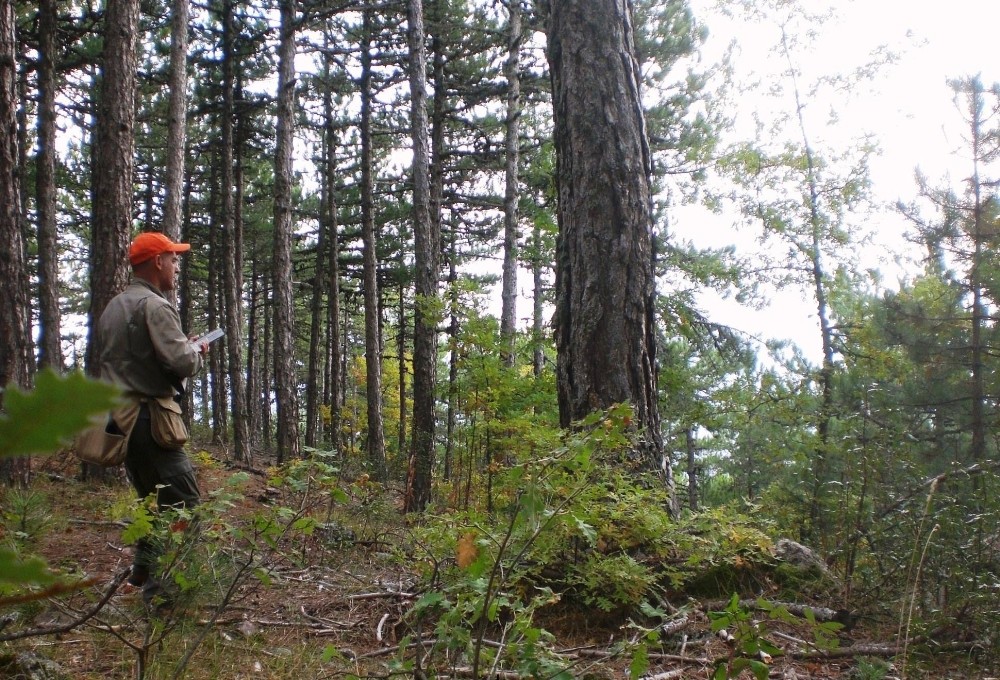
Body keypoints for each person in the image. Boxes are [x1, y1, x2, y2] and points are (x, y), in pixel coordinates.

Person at [98, 231, 208, 606]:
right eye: (173, 259)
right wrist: (196, 351)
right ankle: (163, 599)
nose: (177, 267)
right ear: (157, 261)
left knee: (150, 501)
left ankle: (142, 572)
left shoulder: (115, 306)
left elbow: (134, 358)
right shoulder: (156, 306)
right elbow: (182, 362)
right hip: (151, 420)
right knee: (184, 505)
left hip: (121, 421)